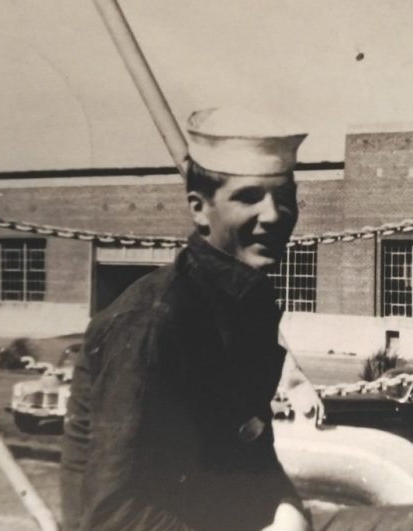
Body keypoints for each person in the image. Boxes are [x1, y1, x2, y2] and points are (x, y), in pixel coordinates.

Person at [61, 107, 322, 531]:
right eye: (249, 197)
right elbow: (113, 518)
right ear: (200, 209)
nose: (275, 215)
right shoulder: (154, 321)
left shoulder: (246, 302)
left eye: (284, 196)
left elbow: (250, 454)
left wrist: (287, 508)